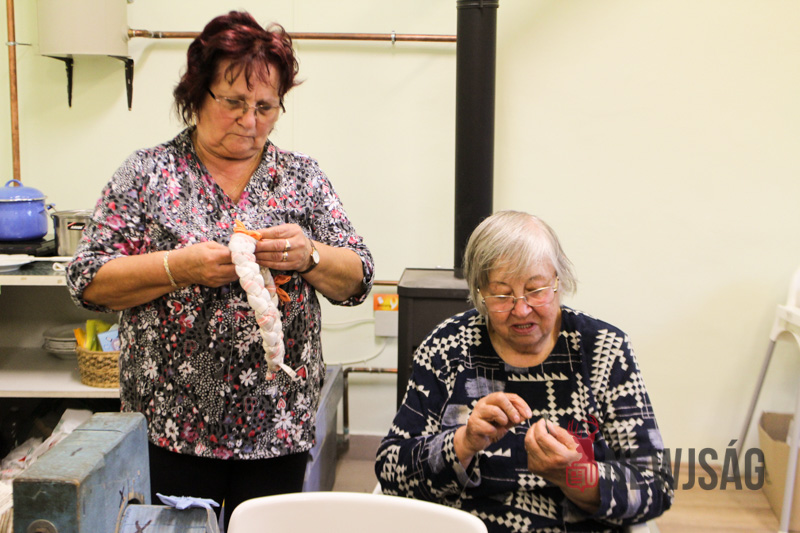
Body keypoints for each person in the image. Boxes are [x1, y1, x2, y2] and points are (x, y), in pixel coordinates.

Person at [66, 11, 374, 529]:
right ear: (196, 95)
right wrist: (177, 267)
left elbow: (359, 278)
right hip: (171, 424)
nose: (250, 121)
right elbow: (89, 281)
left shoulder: (301, 177)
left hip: (276, 424)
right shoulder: (147, 174)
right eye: (233, 102)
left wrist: (310, 256)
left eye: (265, 107)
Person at [375, 210, 672, 532]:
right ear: (480, 292)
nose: (521, 309)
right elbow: (391, 470)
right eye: (502, 294)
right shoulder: (447, 347)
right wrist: (463, 442)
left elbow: (655, 485)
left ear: (559, 282)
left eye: (536, 290)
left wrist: (573, 474)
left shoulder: (603, 349)